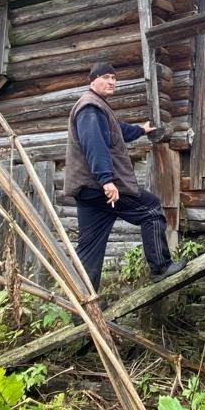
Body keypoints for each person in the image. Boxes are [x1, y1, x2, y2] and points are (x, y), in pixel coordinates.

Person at [64, 61, 185, 292]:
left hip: (88, 191)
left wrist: (141, 130)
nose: (112, 82)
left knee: (89, 248)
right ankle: (161, 267)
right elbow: (94, 145)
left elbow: (117, 131)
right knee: (151, 209)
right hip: (99, 187)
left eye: (114, 78)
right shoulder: (90, 108)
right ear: (93, 80)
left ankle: (84, 303)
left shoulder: (97, 107)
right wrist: (106, 180)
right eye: (106, 77)